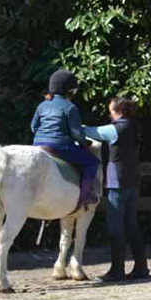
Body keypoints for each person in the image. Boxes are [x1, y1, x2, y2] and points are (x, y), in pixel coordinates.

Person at [83, 96, 148, 282]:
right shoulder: (135, 127)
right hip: (133, 181)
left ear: (117, 111)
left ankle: (117, 270)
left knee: (115, 226)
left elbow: (92, 132)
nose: (109, 113)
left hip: (117, 182)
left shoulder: (115, 129)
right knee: (131, 225)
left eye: (111, 110)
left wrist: (73, 126)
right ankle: (141, 267)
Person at [30, 70, 99, 209]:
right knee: (92, 162)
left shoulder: (42, 105)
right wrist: (85, 143)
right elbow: (77, 133)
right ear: (71, 90)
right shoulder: (70, 107)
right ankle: (84, 197)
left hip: (38, 145)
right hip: (60, 146)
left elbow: (33, 127)